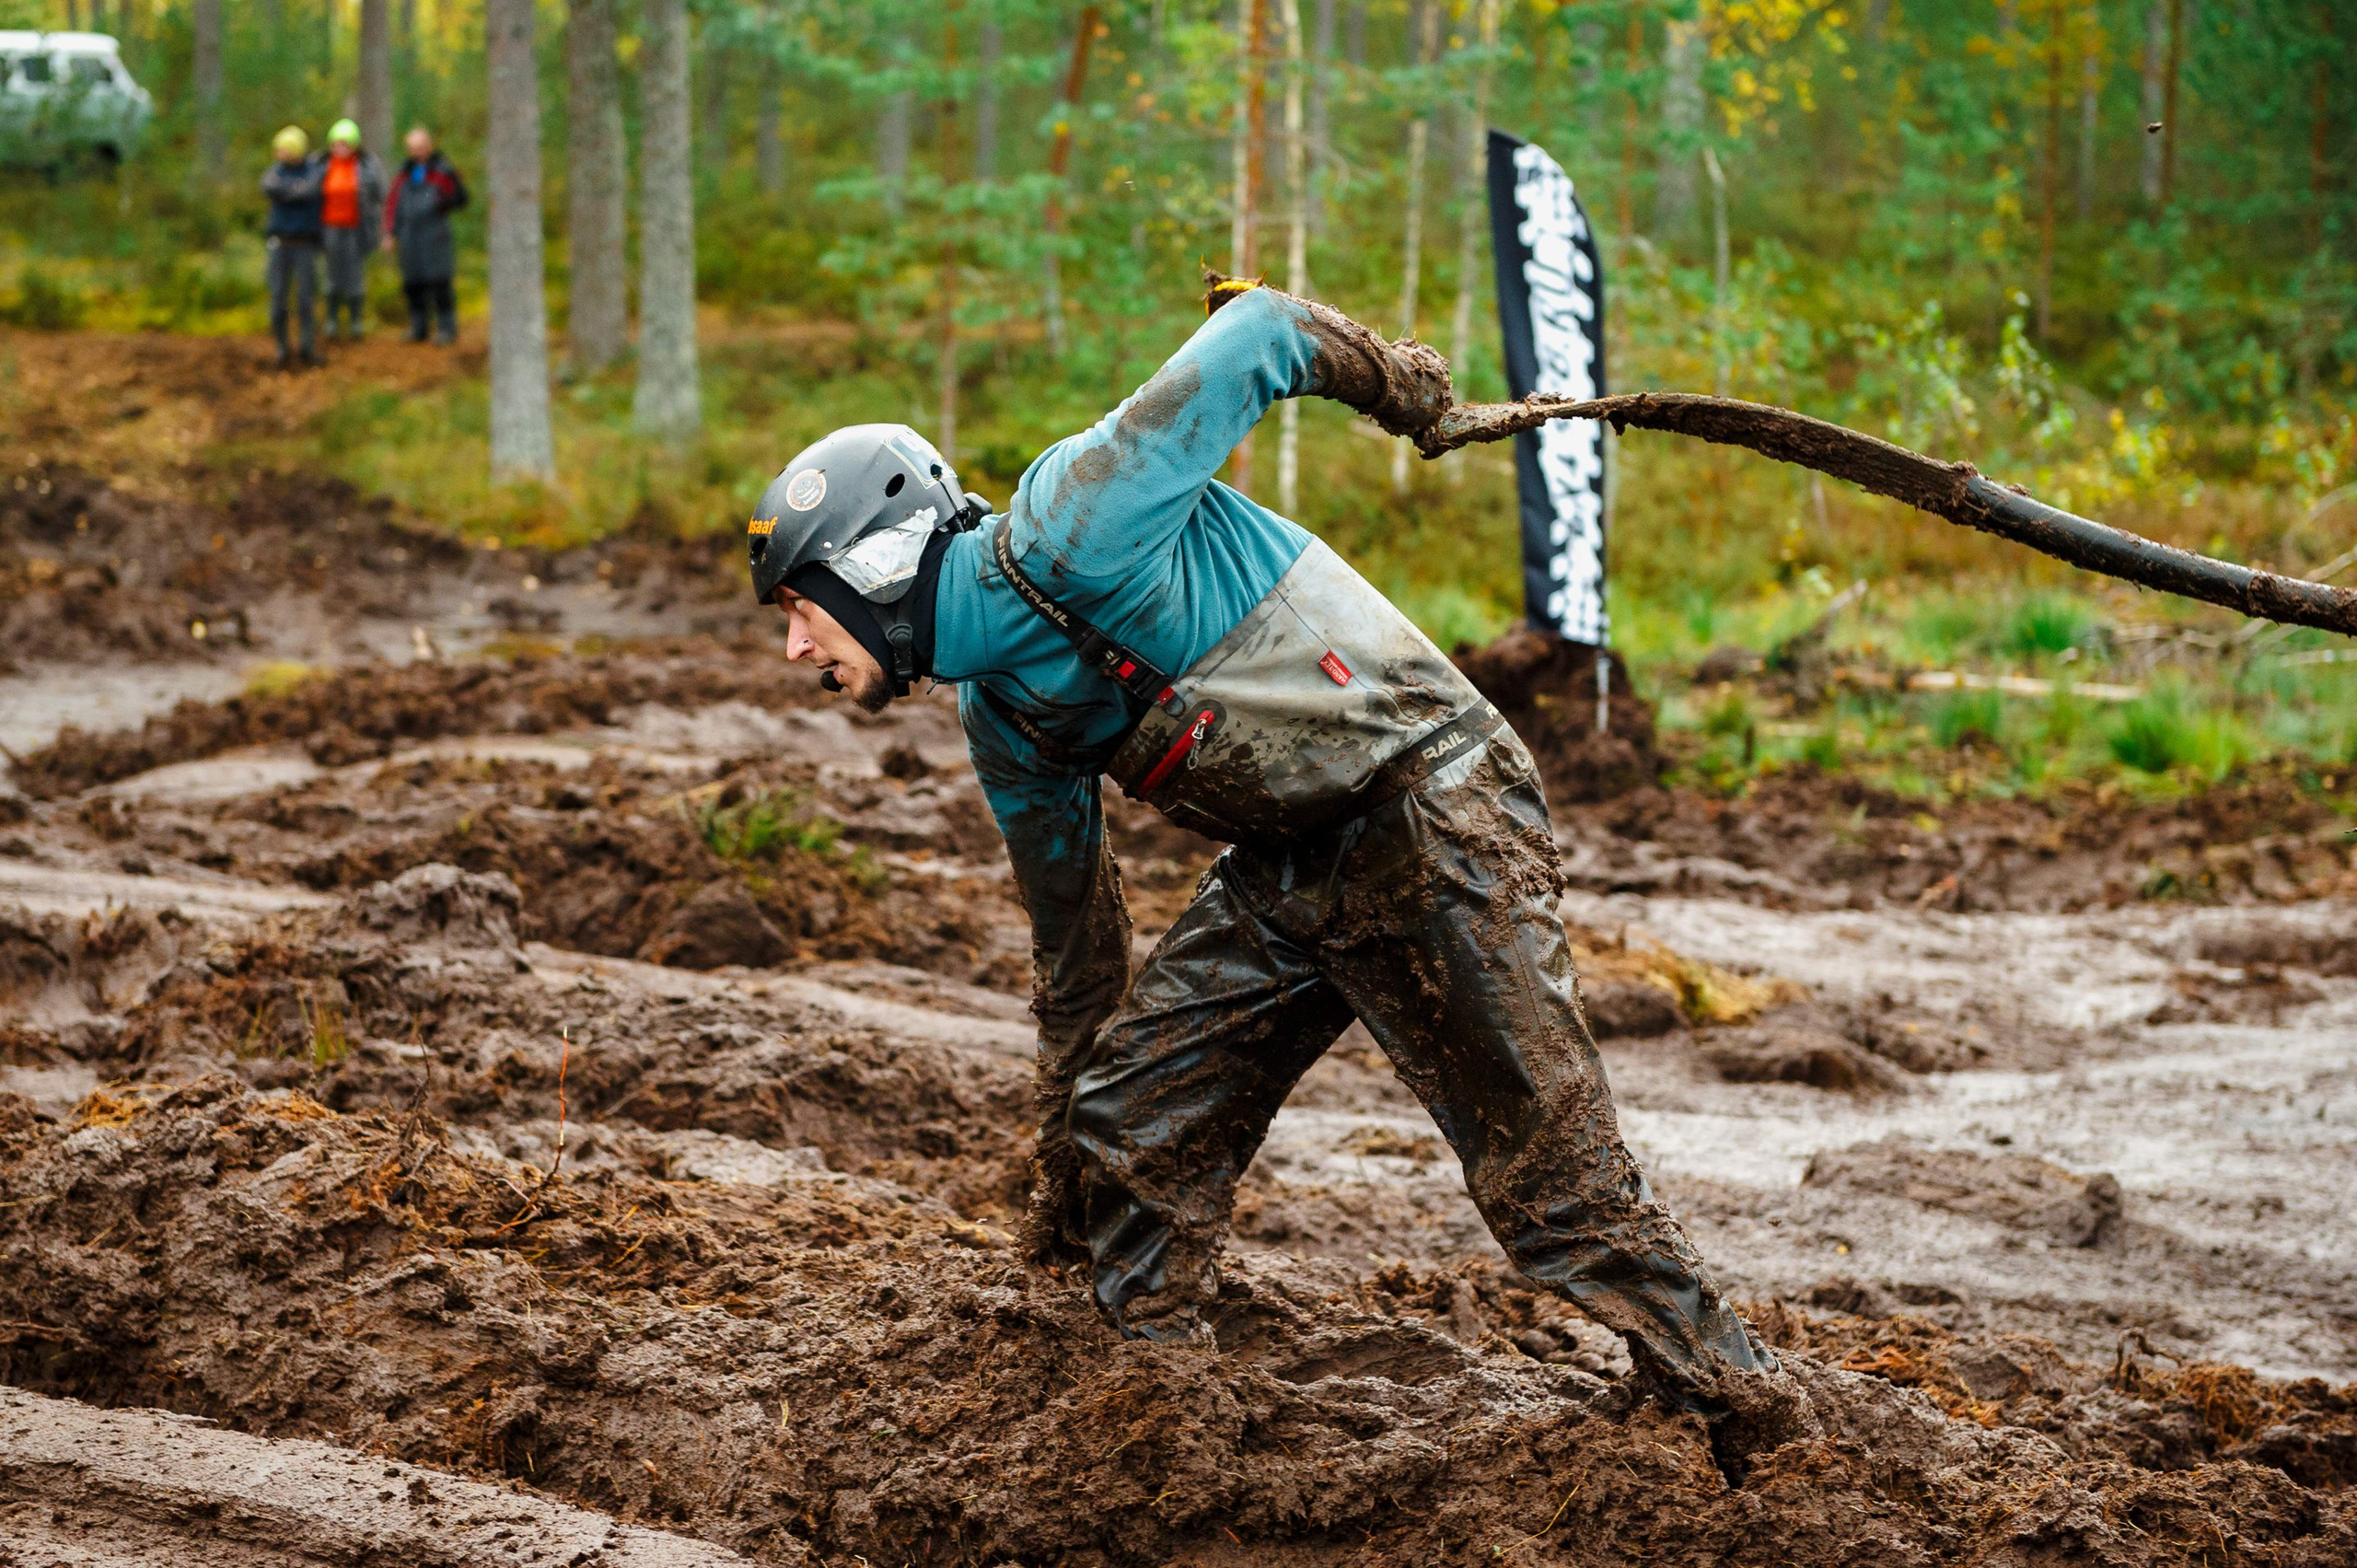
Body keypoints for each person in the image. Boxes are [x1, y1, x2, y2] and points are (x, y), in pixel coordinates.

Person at [743, 280, 1813, 1469]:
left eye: (800, 606)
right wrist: (1064, 1185)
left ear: (875, 565)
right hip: (1299, 865)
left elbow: (1258, 338)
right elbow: (1081, 967)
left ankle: (1751, 1418)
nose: (795, 648)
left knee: (1551, 1186)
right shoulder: (1007, 723)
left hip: (1438, 807)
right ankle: (1153, 1415)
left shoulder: (1064, 526)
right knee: (1132, 1117)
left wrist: (1398, 386)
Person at [385, 125, 467, 345]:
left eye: (421, 147)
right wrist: (390, 233)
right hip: (410, 235)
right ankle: (419, 327)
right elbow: (393, 205)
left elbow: (460, 198)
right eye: (413, 148)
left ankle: (447, 328)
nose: (417, 151)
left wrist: (442, 203)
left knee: (439, 281)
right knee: (413, 282)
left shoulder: (442, 170)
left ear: (429, 146)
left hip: (435, 233)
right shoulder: (403, 174)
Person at [260, 125, 325, 369]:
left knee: (307, 299)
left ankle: (307, 348)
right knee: (278, 299)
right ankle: (281, 348)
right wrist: (293, 192)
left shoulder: (313, 171)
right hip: (279, 244)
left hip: (305, 245)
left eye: (284, 149)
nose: (279, 153)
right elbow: (267, 186)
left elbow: (308, 191)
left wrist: (286, 193)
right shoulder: (274, 171)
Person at [320, 118, 387, 342]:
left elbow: (380, 194)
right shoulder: (321, 165)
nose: (340, 149)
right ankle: (331, 319)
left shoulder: (367, 166)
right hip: (329, 227)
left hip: (356, 229)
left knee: (355, 275)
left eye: (345, 144)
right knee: (331, 274)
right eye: (336, 144)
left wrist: (376, 222)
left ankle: (356, 320)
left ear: (355, 145)